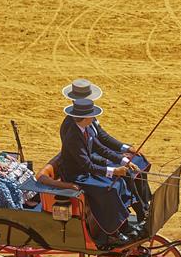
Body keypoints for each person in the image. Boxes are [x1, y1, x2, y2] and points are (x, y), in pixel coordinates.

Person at [58, 98, 140, 246]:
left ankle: (123, 224)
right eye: (92, 115)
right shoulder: (73, 137)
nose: (94, 117)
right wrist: (114, 170)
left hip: (85, 171)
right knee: (109, 190)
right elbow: (87, 165)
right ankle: (112, 234)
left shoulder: (86, 129)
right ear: (85, 117)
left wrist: (125, 161)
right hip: (77, 177)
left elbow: (101, 149)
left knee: (119, 183)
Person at [62, 78, 152, 210]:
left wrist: (124, 158)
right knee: (118, 182)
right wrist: (114, 169)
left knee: (136, 161)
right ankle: (137, 212)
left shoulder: (84, 122)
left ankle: (145, 204)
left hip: (92, 160)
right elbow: (86, 160)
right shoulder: (72, 129)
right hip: (86, 166)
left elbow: (101, 141)